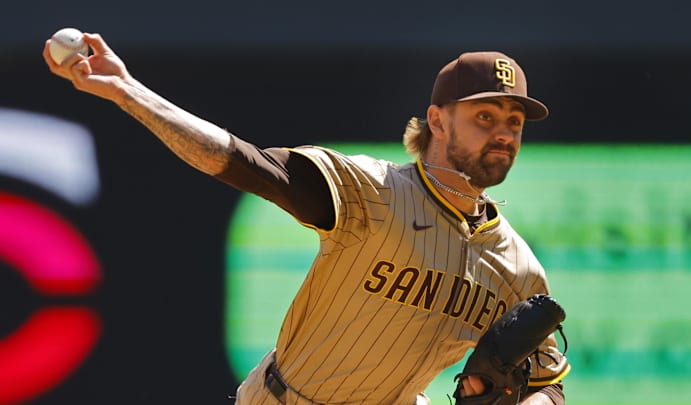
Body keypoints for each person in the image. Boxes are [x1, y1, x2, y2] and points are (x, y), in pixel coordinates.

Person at [43, 33, 570, 404]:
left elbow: (548, 380)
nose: (503, 132)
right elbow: (242, 162)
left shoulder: (516, 267)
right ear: (436, 120)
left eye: (514, 121)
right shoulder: (371, 192)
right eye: (484, 116)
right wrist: (127, 90)